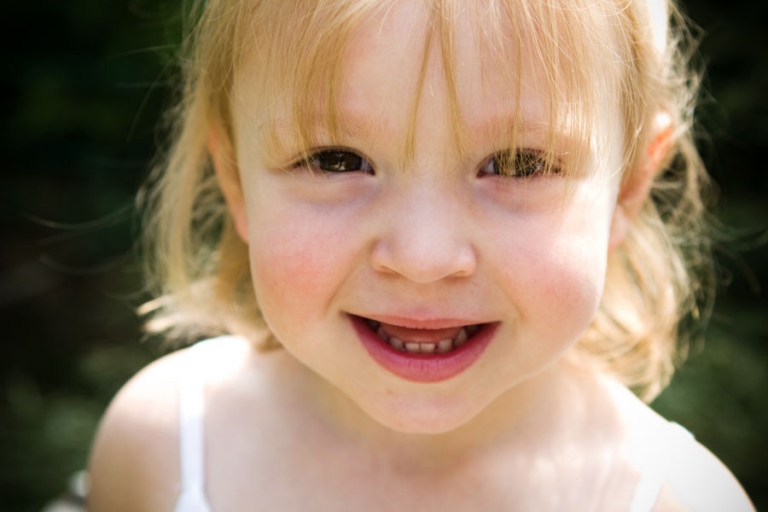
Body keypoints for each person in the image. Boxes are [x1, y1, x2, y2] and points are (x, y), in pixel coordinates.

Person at [87, 0, 755, 510]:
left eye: (518, 164)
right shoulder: (164, 449)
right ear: (235, 179)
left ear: (628, 188)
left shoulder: (682, 499)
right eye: (336, 159)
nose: (423, 257)